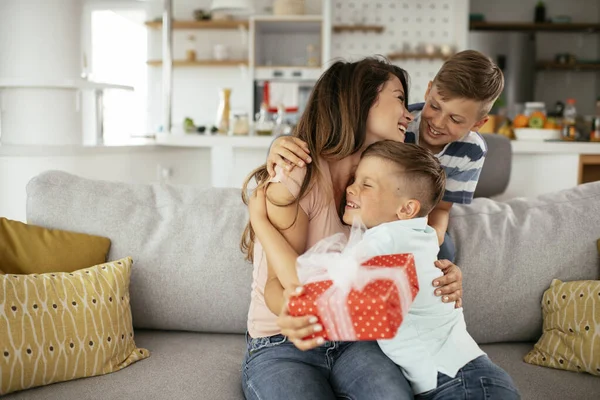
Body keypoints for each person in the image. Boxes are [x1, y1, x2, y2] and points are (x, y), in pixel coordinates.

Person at [240, 58, 463, 400]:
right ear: (359, 100)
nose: (409, 114)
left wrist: (443, 276)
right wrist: (290, 311)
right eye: (399, 98)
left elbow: (409, 253)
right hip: (281, 344)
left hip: (354, 341)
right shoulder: (297, 176)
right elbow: (275, 282)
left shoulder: (389, 187)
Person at [265, 50, 505, 264]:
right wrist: (279, 144)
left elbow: (440, 210)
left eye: (455, 119)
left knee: (445, 249)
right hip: (377, 211)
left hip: (415, 217)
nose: (438, 123)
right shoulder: (399, 124)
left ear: (478, 124)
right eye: (435, 106)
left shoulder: (471, 152)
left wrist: (426, 242)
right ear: (429, 89)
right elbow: (331, 142)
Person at [339, 140, 518, 399]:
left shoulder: (383, 240)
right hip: (471, 375)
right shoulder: (421, 235)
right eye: (355, 179)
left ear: (406, 208)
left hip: (457, 383)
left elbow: (329, 282)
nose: (350, 188)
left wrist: (265, 225)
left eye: (366, 184)